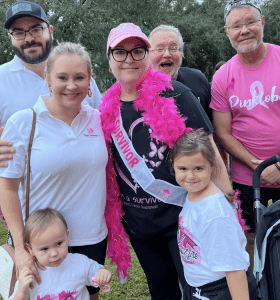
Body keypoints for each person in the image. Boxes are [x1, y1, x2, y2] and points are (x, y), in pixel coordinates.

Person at [100, 22, 234, 300]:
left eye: (137, 51)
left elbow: (211, 154)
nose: (129, 59)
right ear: (109, 58)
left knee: (200, 291)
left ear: (147, 56)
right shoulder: (103, 110)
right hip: (140, 227)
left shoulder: (176, 94)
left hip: (184, 219)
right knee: (162, 292)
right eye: (120, 52)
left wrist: (228, 204)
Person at [0, 42, 129, 300]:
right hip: (41, 244)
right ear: (47, 77)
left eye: (79, 77)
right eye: (62, 77)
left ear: (90, 80)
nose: (72, 86)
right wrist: (23, 248)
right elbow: (7, 188)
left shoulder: (100, 118)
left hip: (91, 237)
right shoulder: (24, 122)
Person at [210, 0, 280, 270]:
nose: (245, 30)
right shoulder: (223, 76)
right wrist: (258, 167)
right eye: (236, 25)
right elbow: (223, 134)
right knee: (248, 238)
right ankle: (257, 288)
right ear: (227, 31)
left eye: (250, 22)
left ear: (262, 23)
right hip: (246, 179)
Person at [0, 0, 102, 167]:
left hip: (87, 187)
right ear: (10, 37)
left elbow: (105, 126)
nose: (29, 38)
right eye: (18, 32)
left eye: (36, 29)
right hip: (25, 191)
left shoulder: (83, 81)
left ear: (51, 31)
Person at [169, 129, 257, 300]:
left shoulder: (216, 214)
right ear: (173, 165)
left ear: (212, 165)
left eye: (198, 168)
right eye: (183, 168)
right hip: (199, 289)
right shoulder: (194, 194)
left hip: (220, 291)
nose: (190, 176)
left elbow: (234, 269)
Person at [10, 208, 112, 300]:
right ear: (30, 248)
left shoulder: (79, 262)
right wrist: (21, 291)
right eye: (44, 249)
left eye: (59, 243)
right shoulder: (29, 274)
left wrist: (102, 274)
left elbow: (97, 273)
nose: (54, 253)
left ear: (67, 236)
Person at [148, 25, 212, 120]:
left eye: (173, 48)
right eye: (159, 49)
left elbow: (212, 123)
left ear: (181, 52)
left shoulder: (198, 79)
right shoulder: (136, 90)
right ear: (148, 54)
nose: (167, 54)